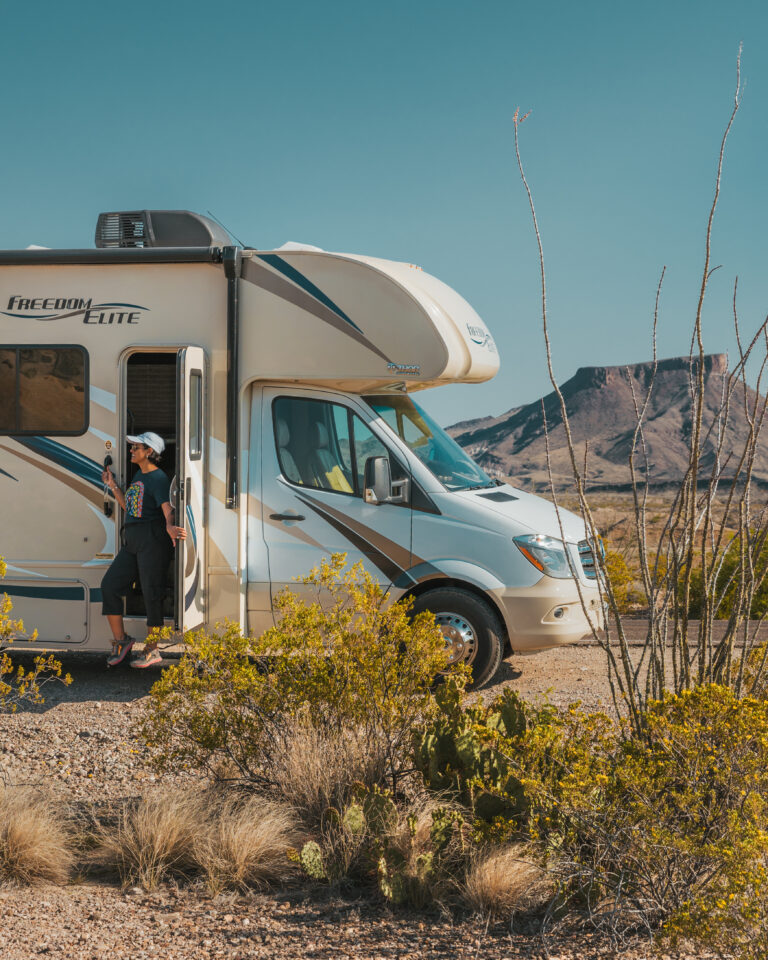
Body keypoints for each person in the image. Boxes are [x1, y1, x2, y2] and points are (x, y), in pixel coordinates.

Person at [100, 431, 186, 668]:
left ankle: (152, 650)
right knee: (109, 586)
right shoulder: (139, 474)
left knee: (152, 594)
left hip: (153, 542)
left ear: (149, 452)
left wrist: (170, 526)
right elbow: (129, 506)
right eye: (132, 447)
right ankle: (122, 641)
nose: (131, 450)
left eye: (135, 447)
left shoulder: (158, 479)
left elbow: (168, 508)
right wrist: (113, 486)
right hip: (134, 543)